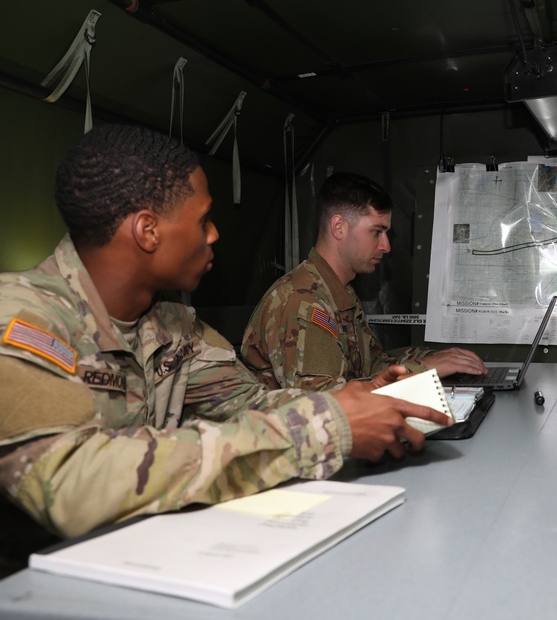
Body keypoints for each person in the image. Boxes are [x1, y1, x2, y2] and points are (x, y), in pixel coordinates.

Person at [0, 125, 451, 542]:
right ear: (147, 231)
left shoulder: (174, 325)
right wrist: (325, 426)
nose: (214, 235)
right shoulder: (25, 320)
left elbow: (249, 402)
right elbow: (70, 485)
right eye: (202, 221)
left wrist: (358, 399)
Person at [242, 172, 486, 392]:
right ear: (339, 227)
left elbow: (372, 364)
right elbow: (326, 403)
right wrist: (423, 371)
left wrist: (432, 360)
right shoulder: (303, 300)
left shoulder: (337, 290)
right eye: (376, 232)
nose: (386, 246)